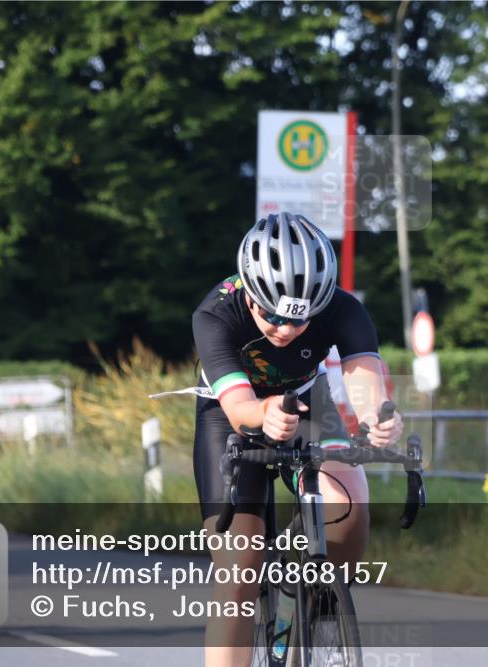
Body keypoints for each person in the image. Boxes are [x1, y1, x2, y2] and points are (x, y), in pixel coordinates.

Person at [191, 212, 403, 666]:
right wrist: (262, 413)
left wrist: (379, 420)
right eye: (269, 315)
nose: (285, 330)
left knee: (351, 503)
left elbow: (366, 387)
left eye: (300, 320)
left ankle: (313, 598)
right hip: (231, 415)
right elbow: (241, 410)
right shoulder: (214, 314)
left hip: (306, 401)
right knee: (238, 570)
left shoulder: (343, 308)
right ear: (249, 291)